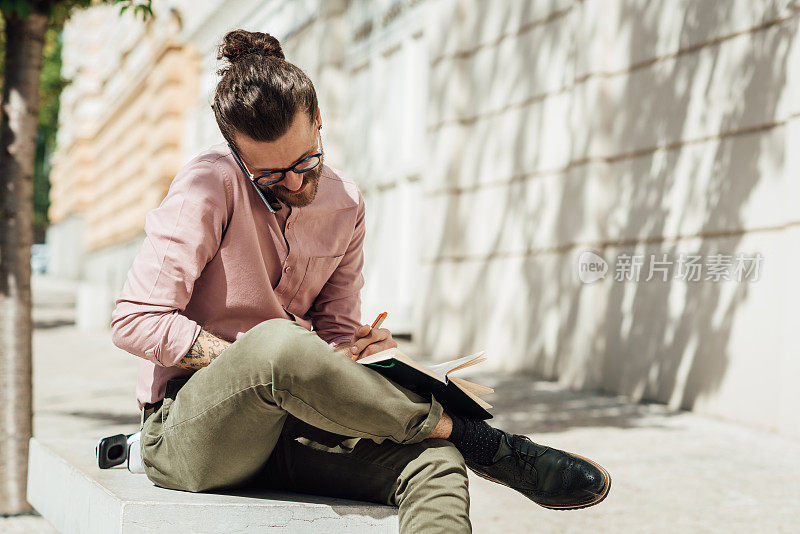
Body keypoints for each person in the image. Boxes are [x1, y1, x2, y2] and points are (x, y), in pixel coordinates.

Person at [110, 29, 611, 533]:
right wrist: (254, 359)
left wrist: (358, 352)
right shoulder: (207, 185)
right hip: (191, 431)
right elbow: (134, 320)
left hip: (298, 426)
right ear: (237, 155)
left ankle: (455, 442)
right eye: (269, 178)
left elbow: (335, 334)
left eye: (305, 162)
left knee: (433, 463)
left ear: (319, 122)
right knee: (278, 346)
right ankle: (485, 445)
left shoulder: (344, 202)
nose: (294, 183)